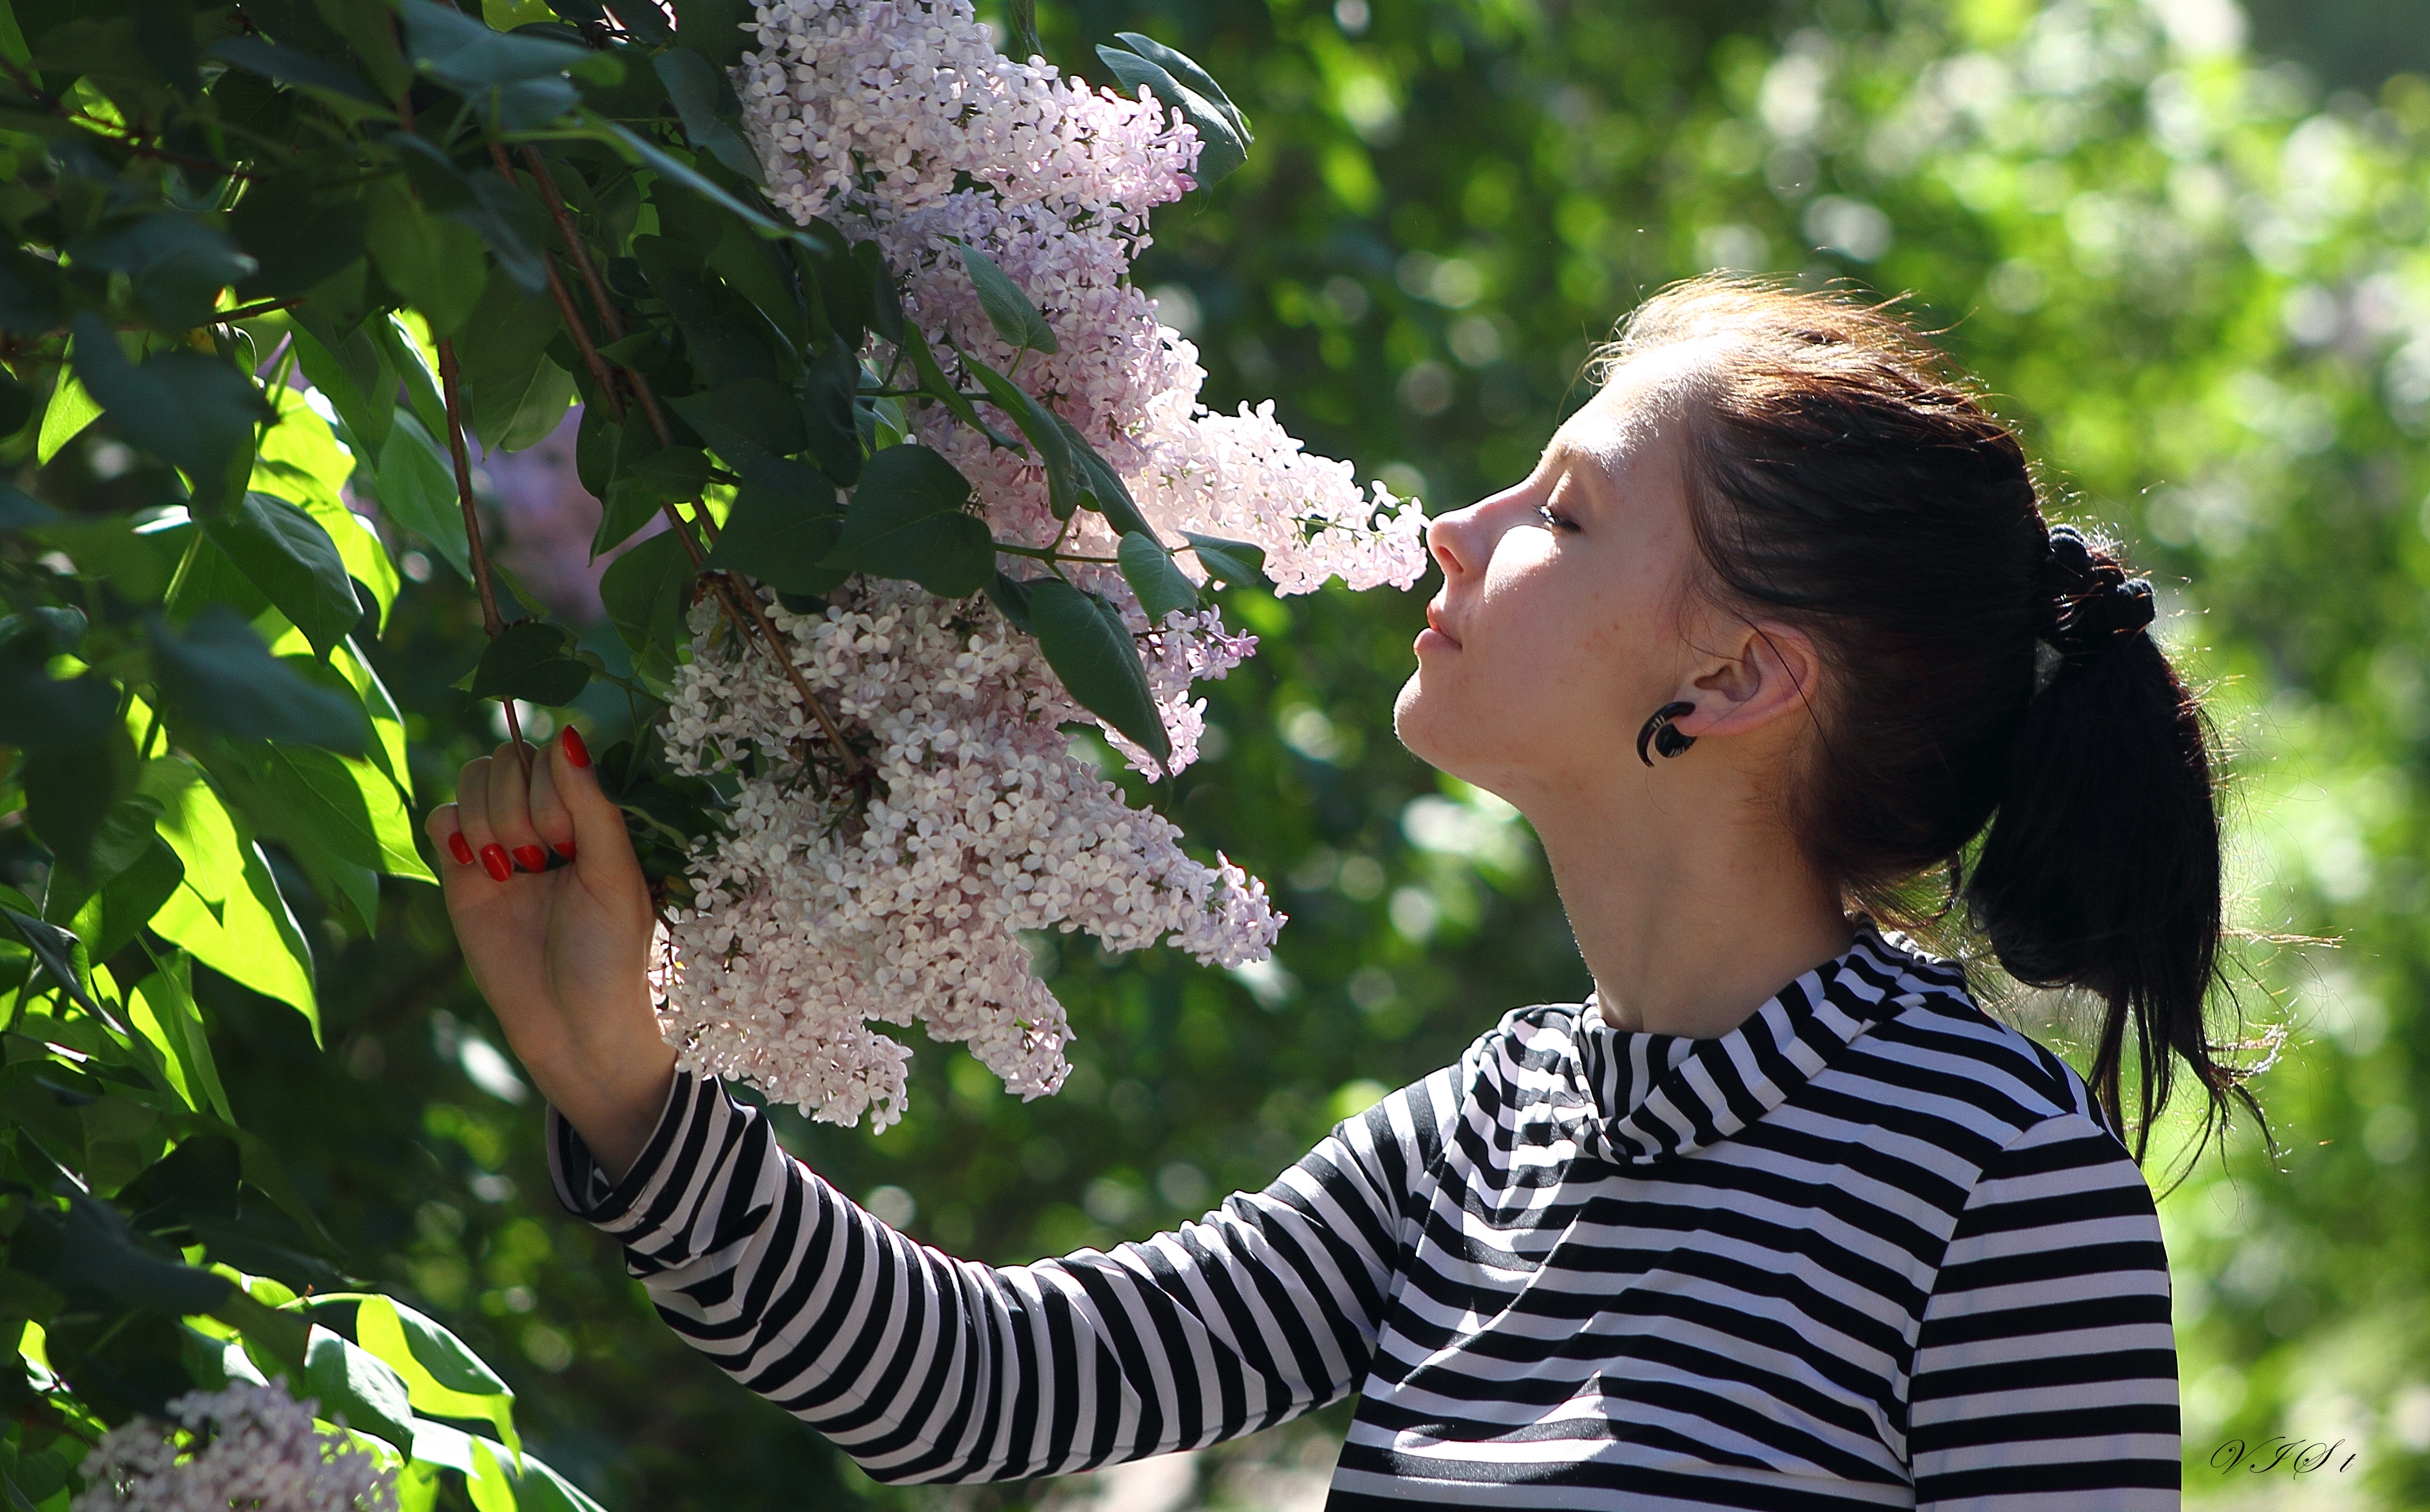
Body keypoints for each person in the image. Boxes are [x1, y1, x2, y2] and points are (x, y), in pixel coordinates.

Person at [430, 274, 2256, 1509]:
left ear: (1732, 684)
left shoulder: (1997, 1186)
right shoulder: (1489, 1129)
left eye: (1563, 508)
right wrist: (630, 1099)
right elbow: (996, 1386)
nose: (1457, 527)